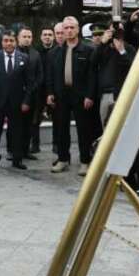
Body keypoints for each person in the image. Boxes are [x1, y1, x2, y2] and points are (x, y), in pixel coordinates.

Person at [45, 16, 98, 176]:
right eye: (66, 28)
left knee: (84, 130)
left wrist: (90, 95)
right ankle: (62, 159)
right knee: (61, 128)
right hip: (61, 95)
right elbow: (50, 75)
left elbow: (92, 75)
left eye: (71, 28)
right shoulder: (55, 52)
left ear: (77, 29)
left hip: (81, 96)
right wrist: (50, 93)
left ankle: (84, 161)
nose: (68, 31)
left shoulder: (88, 50)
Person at [0, 31, 34, 170]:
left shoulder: (24, 58)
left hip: (17, 103)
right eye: (6, 40)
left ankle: (17, 159)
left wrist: (26, 101)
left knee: (16, 132)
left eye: (11, 40)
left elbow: (29, 83)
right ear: (2, 42)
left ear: (15, 42)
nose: (8, 43)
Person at [19, 27, 46, 158]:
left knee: (29, 124)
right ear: (19, 38)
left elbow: (40, 75)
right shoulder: (14, 52)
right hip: (17, 94)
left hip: (32, 95)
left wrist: (32, 88)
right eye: (24, 36)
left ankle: (25, 150)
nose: (27, 39)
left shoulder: (36, 54)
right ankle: (14, 150)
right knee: (16, 124)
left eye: (29, 37)